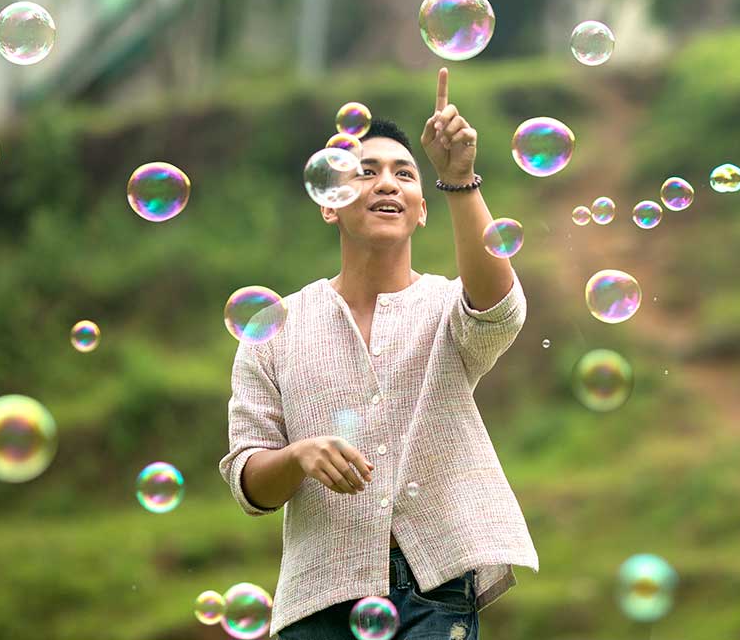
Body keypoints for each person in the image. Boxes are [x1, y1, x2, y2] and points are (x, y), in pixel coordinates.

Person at [219, 68, 537, 640]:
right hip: (318, 599)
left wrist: (459, 178)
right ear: (329, 203)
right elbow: (249, 480)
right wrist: (298, 456)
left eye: (405, 174)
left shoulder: (446, 306)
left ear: (421, 208)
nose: (387, 183)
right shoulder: (273, 327)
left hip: (435, 588)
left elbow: (499, 310)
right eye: (366, 173)